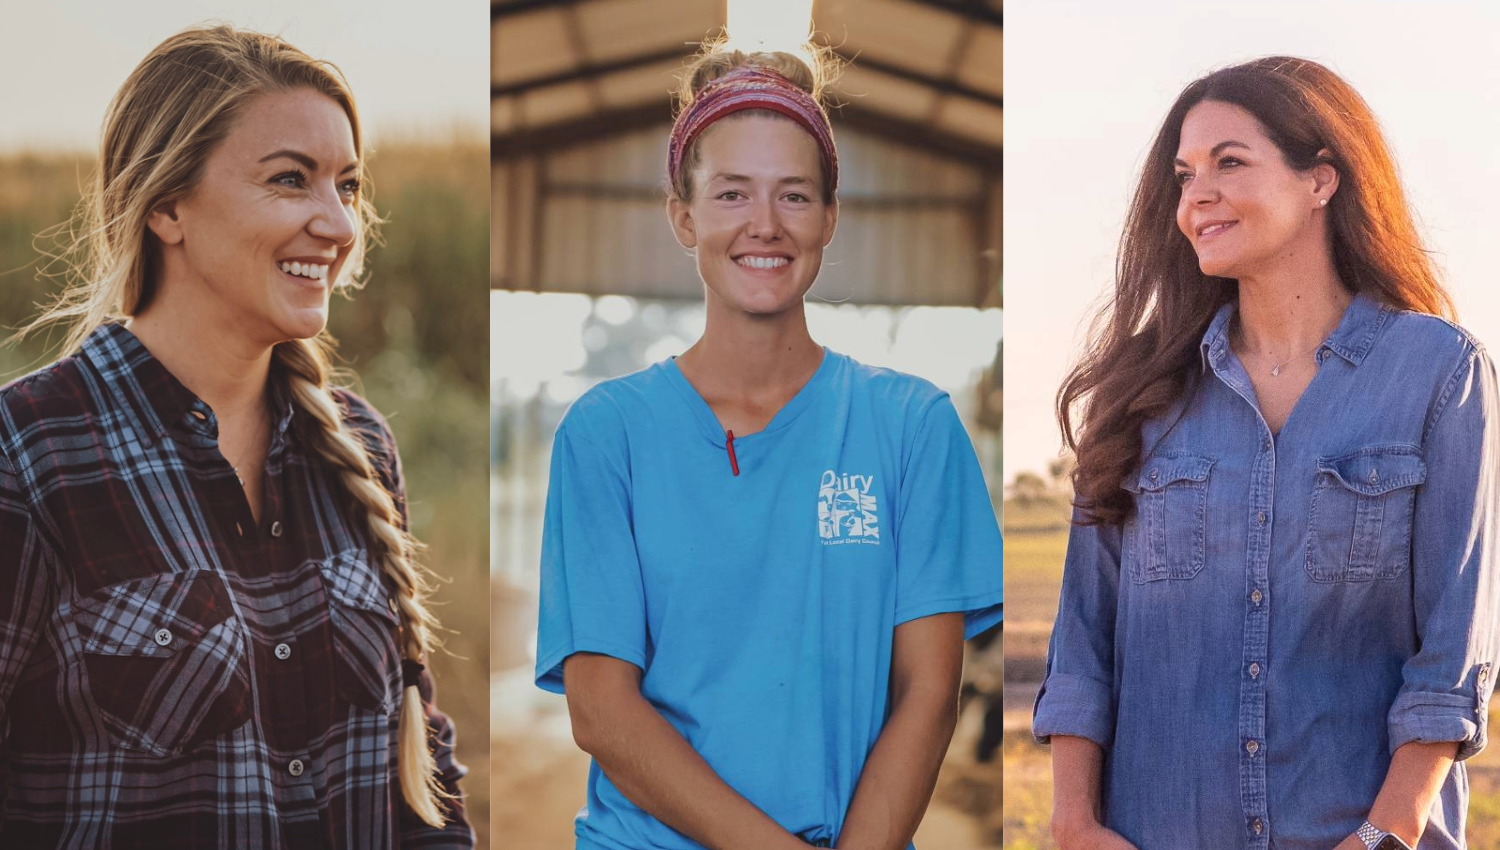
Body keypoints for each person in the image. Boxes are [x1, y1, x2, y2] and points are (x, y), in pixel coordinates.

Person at [0, 26, 471, 848]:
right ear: (165, 204)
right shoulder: (29, 455)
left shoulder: (359, 445)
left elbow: (421, 771)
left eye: (348, 186)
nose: (337, 224)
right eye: (291, 180)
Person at [534, 42, 1003, 850]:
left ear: (830, 215)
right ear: (683, 216)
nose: (765, 225)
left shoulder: (910, 426)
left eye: (794, 195)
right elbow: (602, 710)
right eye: (731, 194)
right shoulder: (607, 433)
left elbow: (927, 693)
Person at [1035, 56, 1499, 850]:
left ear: (1321, 180)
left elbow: (1456, 647)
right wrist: (1074, 824)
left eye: (1229, 163)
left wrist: (1385, 833)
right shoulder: (1142, 390)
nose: (1195, 197)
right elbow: (1083, 641)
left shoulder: (1439, 373)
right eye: (1184, 176)